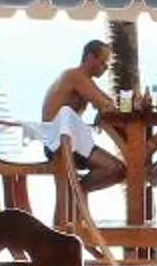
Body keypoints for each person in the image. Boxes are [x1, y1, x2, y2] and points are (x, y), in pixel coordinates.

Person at [39, 38, 127, 191]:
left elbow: (108, 103)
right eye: (103, 62)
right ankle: (77, 194)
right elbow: (105, 105)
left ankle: (75, 195)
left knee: (118, 169)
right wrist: (103, 107)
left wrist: (104, 107)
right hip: (59, 144)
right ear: (90, 57)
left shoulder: (85, 81)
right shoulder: (74, 76)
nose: (106, 67)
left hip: (70, 142)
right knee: (116, 169)